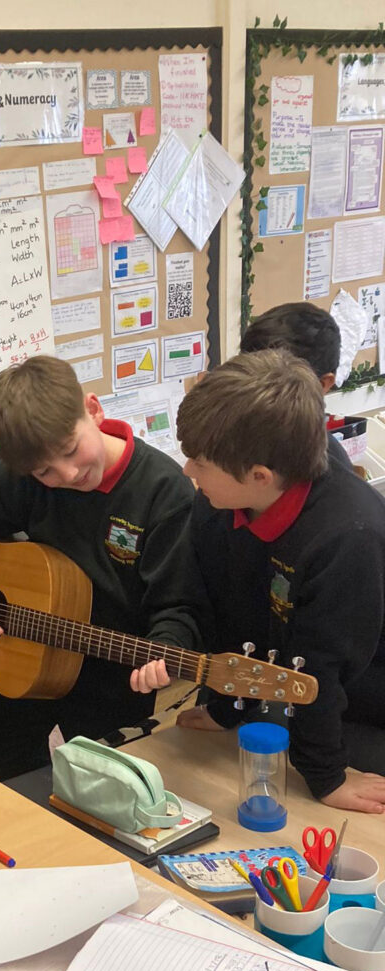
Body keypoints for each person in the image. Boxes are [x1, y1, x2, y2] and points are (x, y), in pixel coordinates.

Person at [0, 355, 200, 779]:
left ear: (93, 409)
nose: (67, 473)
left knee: (108, 795)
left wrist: (167, 646)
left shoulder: (164, 492)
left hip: (113, 672)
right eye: (45, 470)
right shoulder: (20, 477)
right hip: (27, 662)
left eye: (70, 450)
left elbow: (179, 602)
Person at [136, 350, 385, 814]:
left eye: (199, 462)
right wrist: (227, 705)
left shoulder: (348, 537)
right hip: (292, 685)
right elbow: (232, 609)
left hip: (359, 695)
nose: (186, 470)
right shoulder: (218, 502)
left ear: (259, 476)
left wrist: (327, 776)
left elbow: (323, 667)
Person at [240, 300, 351, 468]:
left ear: (322, 384)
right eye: (247, 372)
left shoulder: (327, 470)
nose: (253, 390)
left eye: (273, 383)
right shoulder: (239, 430)